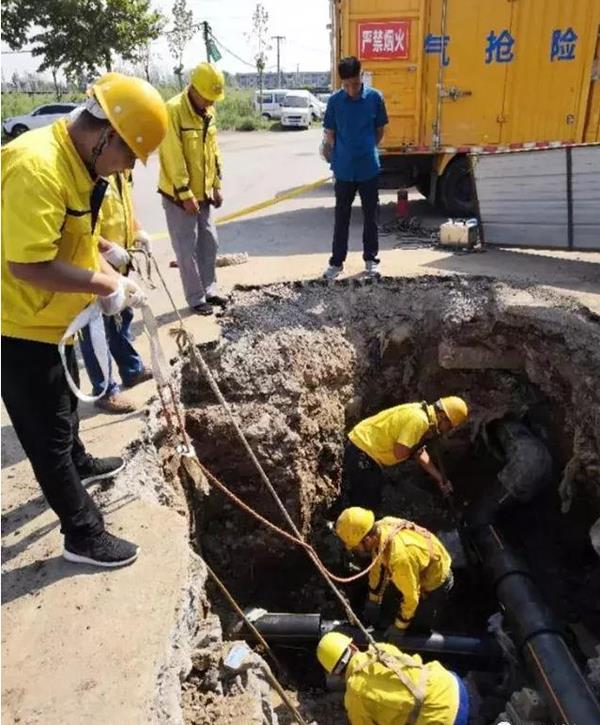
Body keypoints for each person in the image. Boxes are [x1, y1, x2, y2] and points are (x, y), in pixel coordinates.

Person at [1, 72, 167, 568]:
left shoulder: (79, 165)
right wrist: (103, 286)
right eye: (129, 156)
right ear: (107, 135)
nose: (127, 168)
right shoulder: (37, 167)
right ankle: (82, 534)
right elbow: (26, 263)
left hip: (53, 313)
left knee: (67, 407)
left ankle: (81, 461)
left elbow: (70, 235)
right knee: (45, 431)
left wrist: (106, 256)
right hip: (17, 320)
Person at [79, 169, 154, 414]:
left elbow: (125, 206)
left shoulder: (121, 166)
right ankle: (105, 391)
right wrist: (106, 247)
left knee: (121, 319)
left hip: (119, 258)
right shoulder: (88, 170)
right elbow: (82, 226)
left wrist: (138, 230)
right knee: (95, 330)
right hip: (93, 260)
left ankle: (131, 370)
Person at [158, 61, 228, 316]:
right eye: (207, 97)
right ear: (193, 89)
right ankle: (196, 297)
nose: (211, 103)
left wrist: (216, 185)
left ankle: (209, 289)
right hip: (179, 196)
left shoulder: (209, 111)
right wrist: (184, 193)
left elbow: (213, 151)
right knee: (186, 249)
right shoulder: (173, 110)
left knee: (209, 242)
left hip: (205, 194)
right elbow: (172, 155)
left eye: (213, 98)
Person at [335, 508, 453, 636]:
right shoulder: (381, 527)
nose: (355, 550)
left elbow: (411, 598)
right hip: (415, 564)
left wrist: (399, 627)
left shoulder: (398, 558)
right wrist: (373, 600)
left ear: (367, 540)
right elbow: (376, 567)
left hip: (436, 581)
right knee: (392, 600)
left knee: (417, 628)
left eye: (356, 546)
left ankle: (416, 634)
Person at [322, 56, 389, 281]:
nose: (351, 89)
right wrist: (340, 153)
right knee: (342, 217)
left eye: (355, 83)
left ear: (362, 76)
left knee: (371, 216)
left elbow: (379, 131)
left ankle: (371, 260)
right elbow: (330, 134)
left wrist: (365, 148)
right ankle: (336, 262)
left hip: (368, 168)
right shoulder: (335, 102)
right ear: (342, 82)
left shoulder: (375, 99)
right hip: (343, 170)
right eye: (347, 85)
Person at [317, 632, 470, 725]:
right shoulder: (380, 648)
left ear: (335, 673)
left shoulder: (353, 697)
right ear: (353, 647)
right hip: (452, 685)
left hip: (443, 719)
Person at [342, 397, 469, 509]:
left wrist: (440, 478)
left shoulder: (421, 411)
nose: (448, 430)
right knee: (366, 503)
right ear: (442, 417)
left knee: (367, 496)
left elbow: (418, 452)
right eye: (450, 426)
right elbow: (400, 452)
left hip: (361, 446)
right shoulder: (420, 421)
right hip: (363, 450)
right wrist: (418, 445)